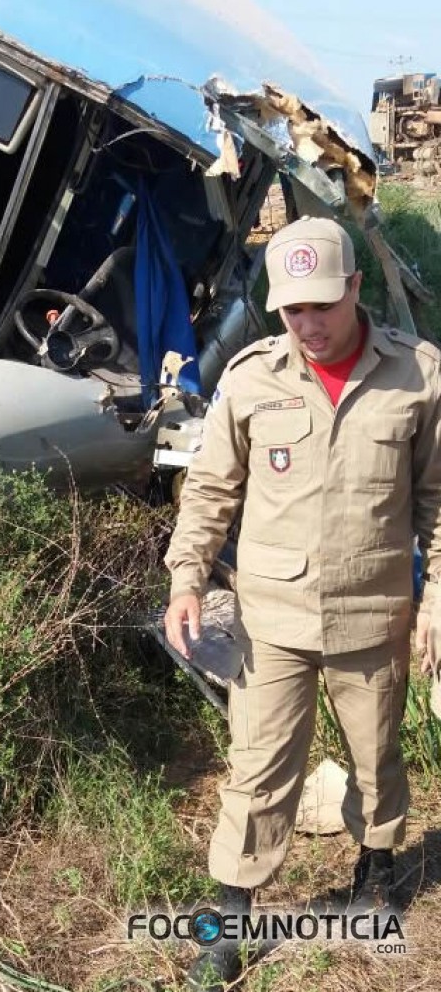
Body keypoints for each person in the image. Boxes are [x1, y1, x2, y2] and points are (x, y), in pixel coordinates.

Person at [163, 216, 441, 991]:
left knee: (376, 758)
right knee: (258, 770)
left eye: (324, 303)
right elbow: (211, 492)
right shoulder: (252, 377)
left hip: (374, 607)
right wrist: (187, 578)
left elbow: (440, 502)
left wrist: (438, 600)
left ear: (356, 286)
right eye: (293, 309)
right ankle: (232, 915)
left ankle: (374, 870)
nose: (309, 324)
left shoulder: (420, 376)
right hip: (273, 618)